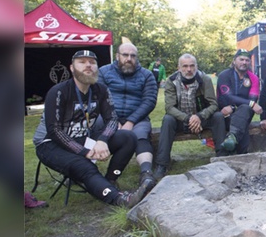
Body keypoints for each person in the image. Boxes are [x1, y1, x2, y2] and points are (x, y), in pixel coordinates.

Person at [33, 50, 151, 208]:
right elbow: (54, 130)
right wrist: (84, 152)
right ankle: (120, 199)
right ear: (71, 68)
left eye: (92, 62)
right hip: (50, 144)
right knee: (84, 165)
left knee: (128, 137)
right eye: (82, 62)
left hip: (82, 138)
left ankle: (109, 181)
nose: (88, 65)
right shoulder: (59, 92)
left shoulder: (100, 90)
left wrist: (102, 140)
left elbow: (112, 119)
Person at [154, 53, 227, 179]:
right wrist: (189, 119)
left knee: (218, 117)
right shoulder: (171, 81)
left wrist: (199, 116)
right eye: (185, 66)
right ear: (179, 67)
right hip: (180, 120)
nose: (189, 69)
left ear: (196, 66)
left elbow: (213, 104)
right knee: (167, 119)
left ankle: (222, 158)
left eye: (192, 66)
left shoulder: (205, 79)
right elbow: (169, 107)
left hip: (202, 118)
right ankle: (162, 164)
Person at [98, 43, 158, 188]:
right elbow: (98, 97)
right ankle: (83, 170)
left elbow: (149, 101)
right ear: (117, 56)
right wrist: (113, 119)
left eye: (133, 56)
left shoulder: (146, 75)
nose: (129, 59)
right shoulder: (103, 72)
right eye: (125, 55)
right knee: (95, 128)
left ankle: (146, 174)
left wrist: (131, 121)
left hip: (138, 118)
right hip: (107, 116)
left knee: (141, 135)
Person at [216, 49, 262, 155]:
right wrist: (250, 104)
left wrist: (234, 108)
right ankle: (241, 153)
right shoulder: (224, 75)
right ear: (234, 61)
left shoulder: (253, 78)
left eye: (247, 60)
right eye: (241, 59)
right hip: (226, 116)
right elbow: (227, 97)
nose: (244, 62)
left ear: (250, 62)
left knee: (245, 109)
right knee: (243, 124)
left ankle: (229, 142)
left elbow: (252, 100)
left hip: (242, 114)